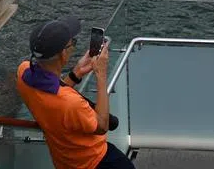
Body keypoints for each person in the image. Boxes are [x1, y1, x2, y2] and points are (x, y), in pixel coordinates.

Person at [15, 17, 135, 169]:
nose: (74, 47)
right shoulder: (71, 103)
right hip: (95, 161)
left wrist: (76, 73)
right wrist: (101, 74)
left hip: (64, 162)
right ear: (63, 54)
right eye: (73, 43)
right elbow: (102, 125)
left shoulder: (23, 72)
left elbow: (53, 90)